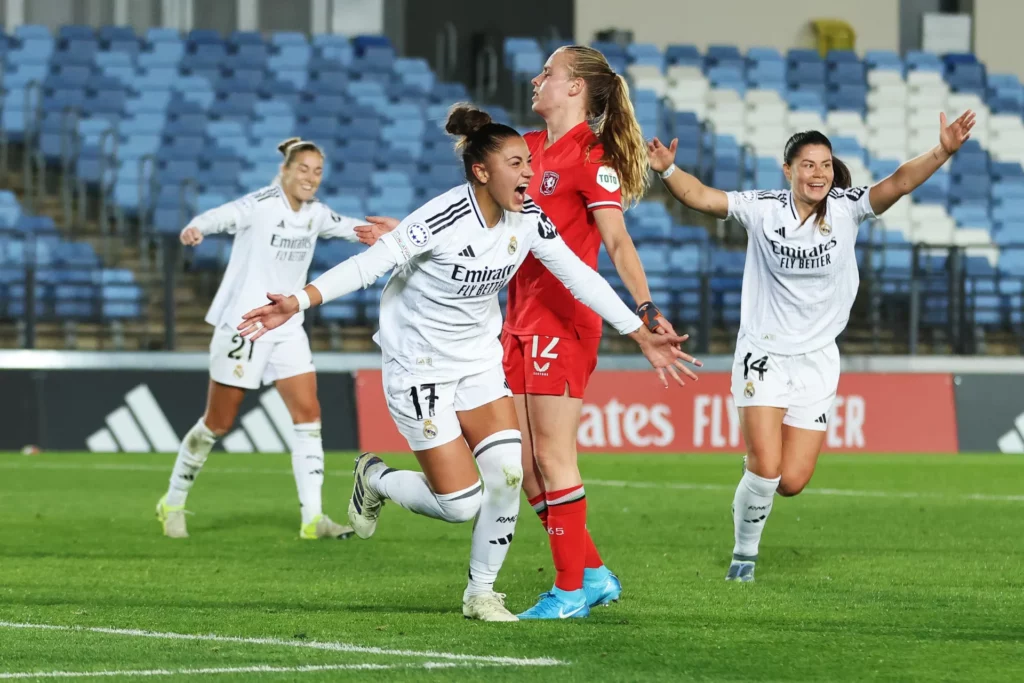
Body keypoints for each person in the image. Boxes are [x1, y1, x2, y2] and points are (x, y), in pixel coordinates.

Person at [237, 104, 698, 621]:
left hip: (478, 361)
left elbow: (579, 276)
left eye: (529, 163)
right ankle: (377, 479)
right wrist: (296, 302)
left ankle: (482, 593)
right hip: (419, 367)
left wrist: (639, 331)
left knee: (506, 472)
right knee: (460, 505)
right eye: (517, 164)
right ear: (482, 172)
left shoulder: (528, 220)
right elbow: (370, 266)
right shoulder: (444, 218)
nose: (530, 174)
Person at [353, 45, 696, 619]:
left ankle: (569, 592)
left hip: (562, 323)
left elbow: (615, 241)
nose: (537, 79)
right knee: (526, 469)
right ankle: (592, 573)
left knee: (554, 461)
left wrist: (645, 308)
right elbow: (473, 212)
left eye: (549, 73)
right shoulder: (529, 149)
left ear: (576, 89)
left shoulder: (594, 156)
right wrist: (408, 234)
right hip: (514, 322)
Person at [646, 110, 976, 582]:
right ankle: (743, 558)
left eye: (824, 164)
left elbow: (900, 182)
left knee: (793, 481)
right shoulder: (762, 208)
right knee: (766, 468)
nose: (817, 173)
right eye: (807, 164)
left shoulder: (848, 207)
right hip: (764, 351)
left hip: (818, 359)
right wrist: (669, 171)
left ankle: (760, 468)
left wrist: (943, 150)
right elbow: (702, 197)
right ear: (788, 170)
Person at [155, 137, 370, 541]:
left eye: (317, 172)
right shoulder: (261, 204)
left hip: (286, 324)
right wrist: (196, 227)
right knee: (217, 423)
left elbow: (349, 228)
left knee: (309, 416)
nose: (310, 178)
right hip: (246, 323)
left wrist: (379, 234)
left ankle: (312, 519)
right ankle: (173, 500)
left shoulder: (316, 214)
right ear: (285, 170)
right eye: (303, 169)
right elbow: (223, 215)